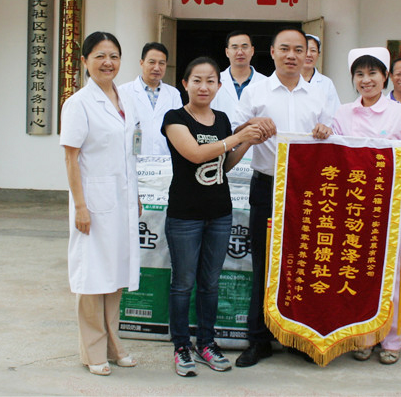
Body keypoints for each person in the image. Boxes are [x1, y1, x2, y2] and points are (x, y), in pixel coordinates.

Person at [231, 27, 335, 368]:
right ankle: (258, 340)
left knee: (302, 264)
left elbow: (333, 136)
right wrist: (251, 128)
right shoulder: (256, 92)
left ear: (308, 54)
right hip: (267, 185)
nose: (292, 55)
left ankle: (297, 338)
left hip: (308, 191)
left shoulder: (319, 95)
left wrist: (327, 131)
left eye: (298, 50)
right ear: (272, 52)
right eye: (285, 49)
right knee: (263, 263)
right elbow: (234, 133)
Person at [161, 57, 263, 377]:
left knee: (210, 283)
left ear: (219, 86)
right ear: (185, 84)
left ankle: (206, 342)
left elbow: (224, 164)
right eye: (197, 80)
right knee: (183, 284)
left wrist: (246, 141)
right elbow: (195, 154)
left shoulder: (221, 119)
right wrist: (237, 137)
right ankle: (181, 345)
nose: (203, 87)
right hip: (184, 215)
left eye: (210, 81)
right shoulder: (175, 118)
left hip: (219, 213)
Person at [332, 47, 401, 365]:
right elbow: (334, 153)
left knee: (391, 275)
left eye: (372, 73)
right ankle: (364, 336)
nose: (366, 80)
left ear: (385, 76)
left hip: (390, 206)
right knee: (357, 274)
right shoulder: (343, 113)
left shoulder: (400, 113)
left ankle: (392, 339)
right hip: (354, 208)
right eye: (359, 74)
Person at [59, 31, 141, 377]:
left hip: (122, 201)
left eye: (114, 56)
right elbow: (71, 158)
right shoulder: (78, 103)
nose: (108, 63)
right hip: (93, 203)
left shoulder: (125, 100)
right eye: (100, 56)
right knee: (92, 277)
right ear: (84, 61)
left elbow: (129, 154)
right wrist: (80, 206)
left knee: (115, 274)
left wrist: (136, 196)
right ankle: (93, 350)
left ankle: (113, 343)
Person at [119, 42, 183, 156]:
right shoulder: (123, 91)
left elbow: (179, 129)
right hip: (133, 158)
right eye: (152, 62)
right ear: (141, 63)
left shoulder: (173, 94)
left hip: (165, 158)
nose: (157, 68)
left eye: (161, 63)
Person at [211, 30, 266, 128]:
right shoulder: (213, 82)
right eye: (234, 47)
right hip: (221, 136)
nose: (240, 52)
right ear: (227, 52)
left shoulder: (266, 83)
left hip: (256, 137)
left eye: (244, 47)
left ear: (252, 51)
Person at [302, 34, 342, 117]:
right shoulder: (288, 80)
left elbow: (336, 113)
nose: (308, 54)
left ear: (318, 54)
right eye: (304, 50)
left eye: (313, 50)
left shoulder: (326, 83)